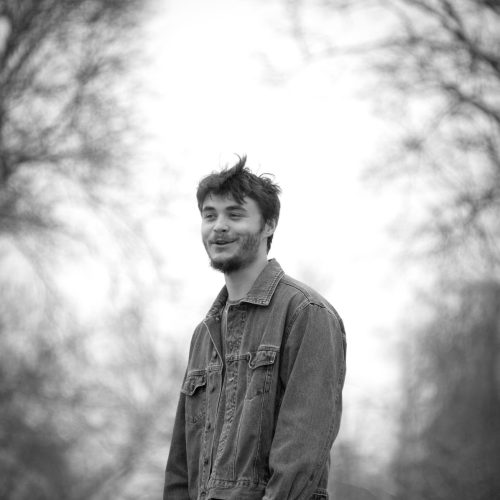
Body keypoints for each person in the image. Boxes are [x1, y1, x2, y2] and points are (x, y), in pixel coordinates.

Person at [164, 156, 346, 500]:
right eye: (209, 215)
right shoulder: (204, 334)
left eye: (235, 214)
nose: (218, 226)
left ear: (269, 225)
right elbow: (180, 467)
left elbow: (301, 454)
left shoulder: (306, 313)